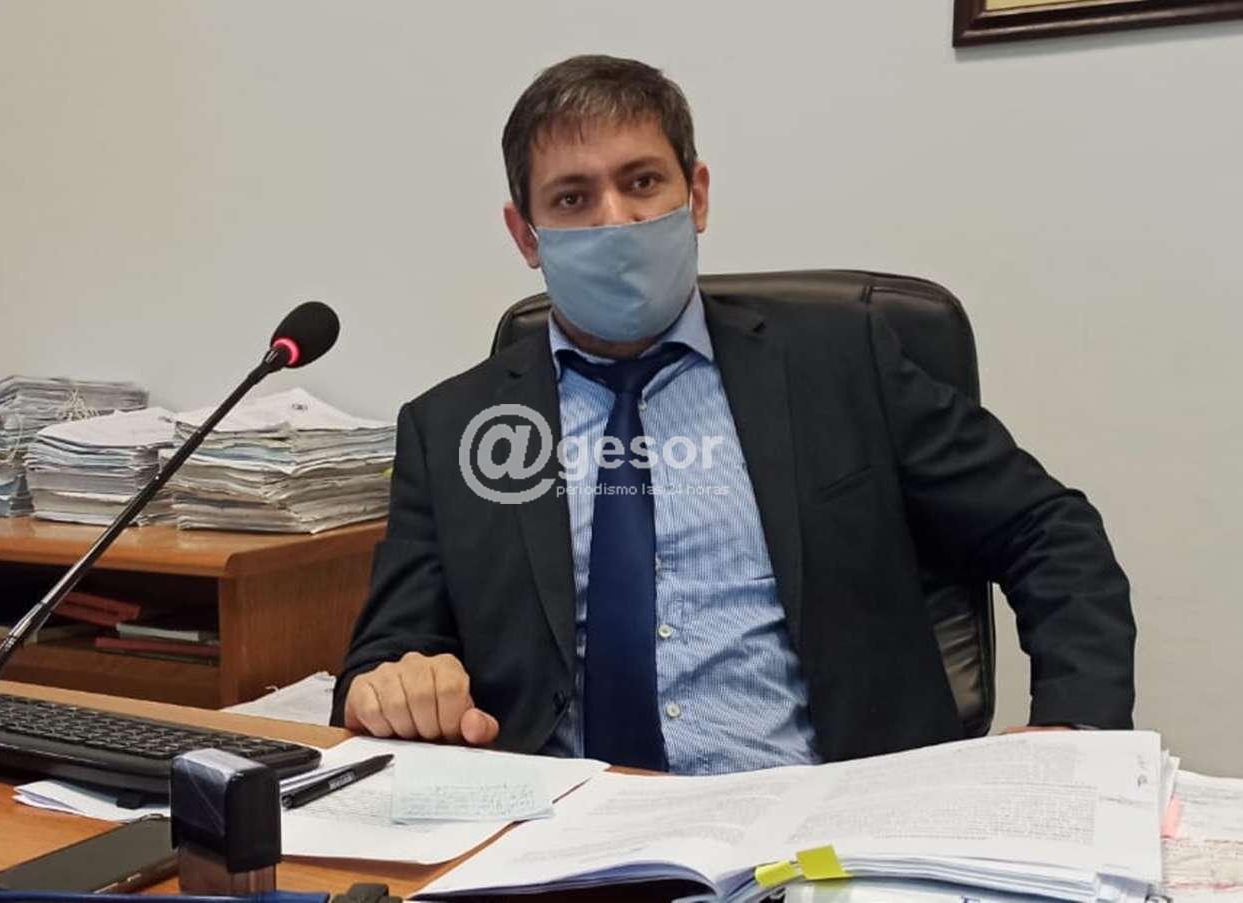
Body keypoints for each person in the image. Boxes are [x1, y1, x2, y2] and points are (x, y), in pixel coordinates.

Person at [332, 55, 1135, 773]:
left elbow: (1047, 529)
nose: (615, 221)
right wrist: (392, 682)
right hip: (556, 835)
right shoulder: (452, 429)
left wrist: (1075, 727)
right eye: (572, 198)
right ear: (526, 235)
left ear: (698, 196)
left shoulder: (841, 362)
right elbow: (385, 657)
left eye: (642, 182)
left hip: (821, 821)